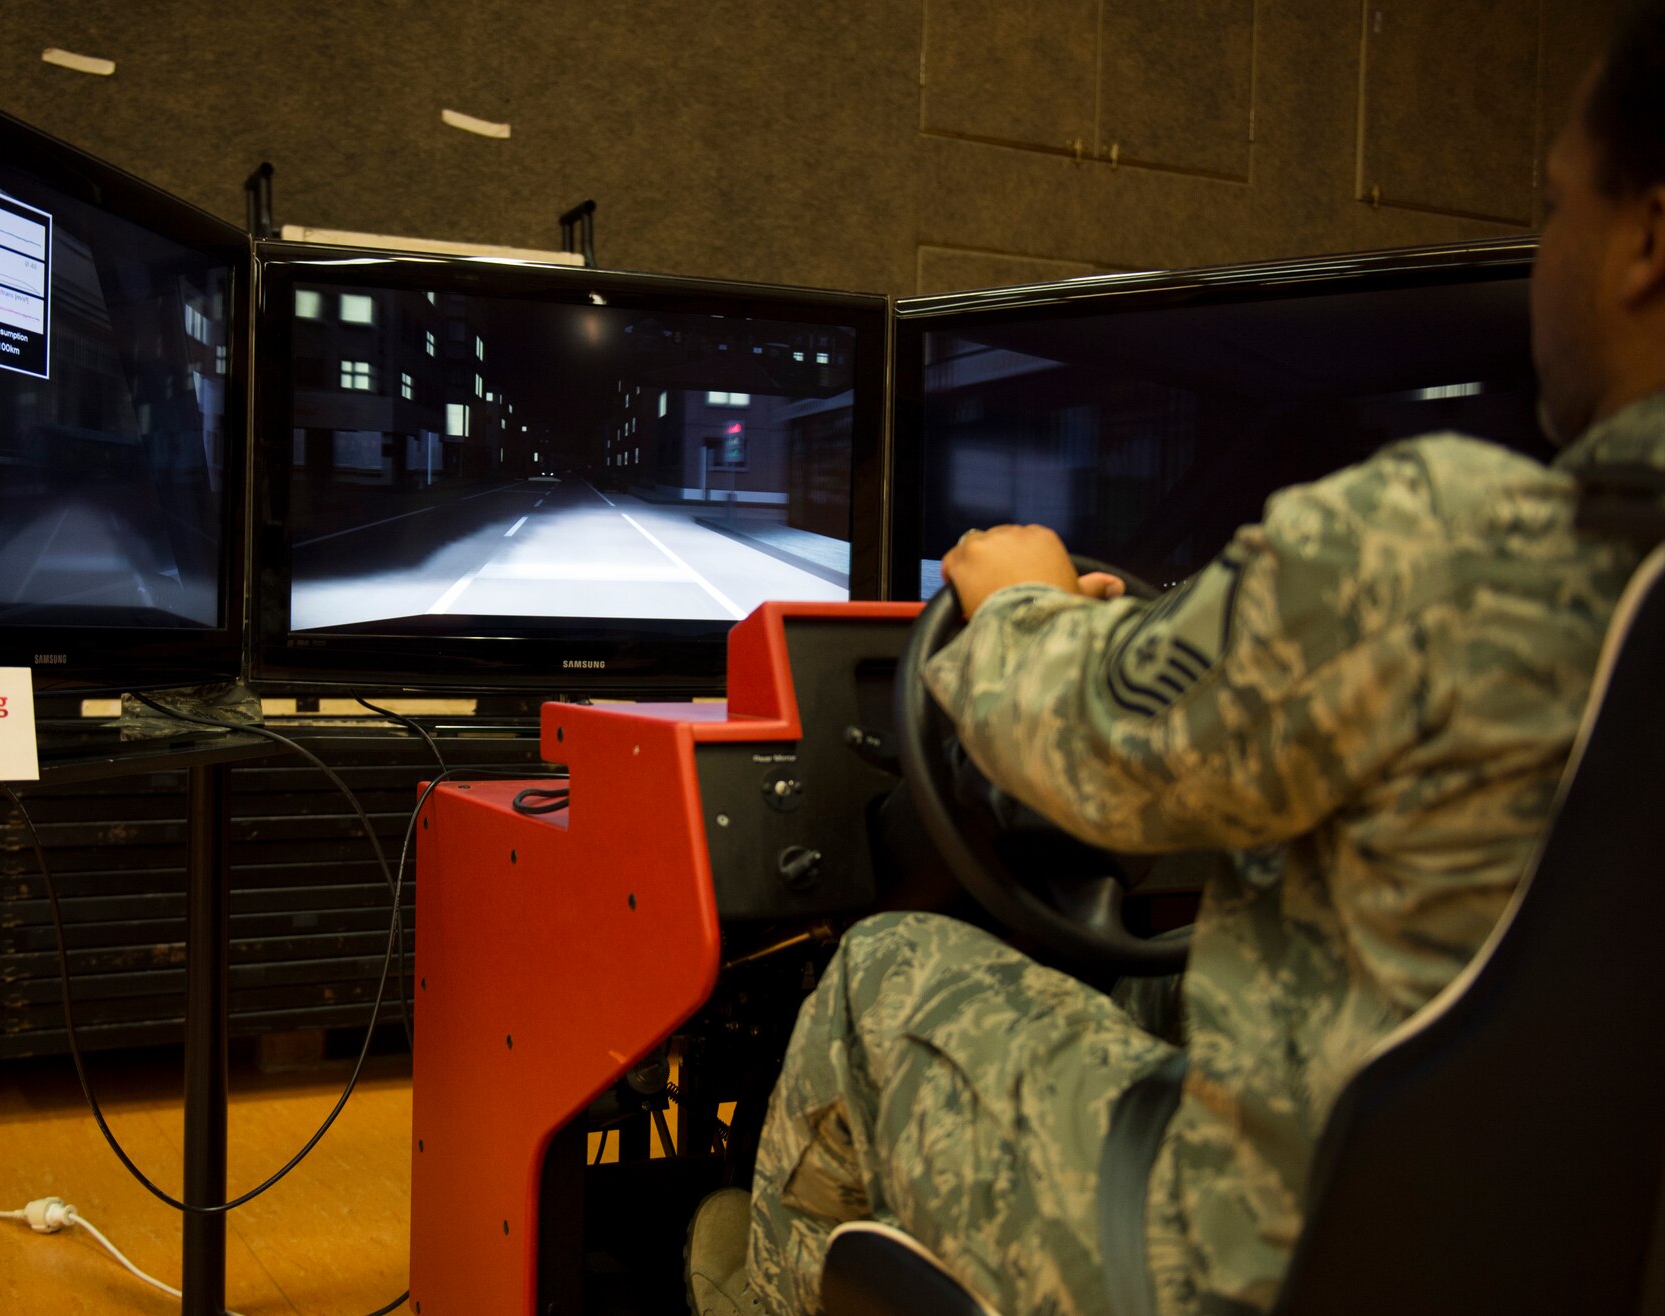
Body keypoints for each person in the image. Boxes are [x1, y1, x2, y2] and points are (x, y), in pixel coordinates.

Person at [685, 5, 1665, 1313]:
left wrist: (1023, 603)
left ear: (1645, 236)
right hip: (1546, 1231)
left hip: (1265, 1258)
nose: (1545, 253)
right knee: (1155, 999)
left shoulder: (1457, 540)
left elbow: (1098, 744)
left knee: (879, 979)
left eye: (1554, 210)